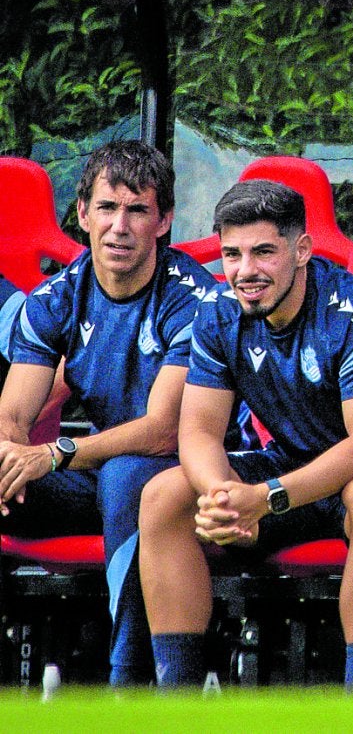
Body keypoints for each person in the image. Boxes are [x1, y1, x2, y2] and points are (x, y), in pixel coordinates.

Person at [137, 179, 353, 690]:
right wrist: (222, 496)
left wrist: (264, 498)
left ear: (302, 251)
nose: (245, 271)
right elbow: (198, 431)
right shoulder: (218, 313)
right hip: (294, 463)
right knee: (163, 495)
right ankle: (177, 703)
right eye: (232, 254)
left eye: (263, 252)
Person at [0, 140, 214, 686]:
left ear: (164, 220)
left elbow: (164, 430)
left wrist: (53, 453)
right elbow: (14, 413)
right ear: (82, 215)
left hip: (195, 474)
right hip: (95, 476)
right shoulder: (55, 297)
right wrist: (9, 459)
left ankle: (128, 686)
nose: (120, 226)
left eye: (138, 210)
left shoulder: (194, 298)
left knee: (129, 478)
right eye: (108, 208)